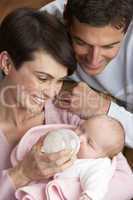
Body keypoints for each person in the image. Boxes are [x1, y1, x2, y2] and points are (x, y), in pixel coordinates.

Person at [0, 6, 132, 200]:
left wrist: (62, 192)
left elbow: (126, 182)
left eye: (60, 80)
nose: (52, 92)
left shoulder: (68, 115)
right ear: (6, 63)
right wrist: (21, 174)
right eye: (43, 78)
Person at [41, 0, 133, 152]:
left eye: (108, 46)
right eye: (81, 42)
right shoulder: (48, 20)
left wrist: (102, 107)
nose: (94, 59)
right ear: (66, 21)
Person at [11, 115, 124, 200]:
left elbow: (97, 185)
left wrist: (88, 196)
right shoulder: (67, 142)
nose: (79, 138)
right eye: (81, 129)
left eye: (89, 142)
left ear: (103, 155)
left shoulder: (98, 165)